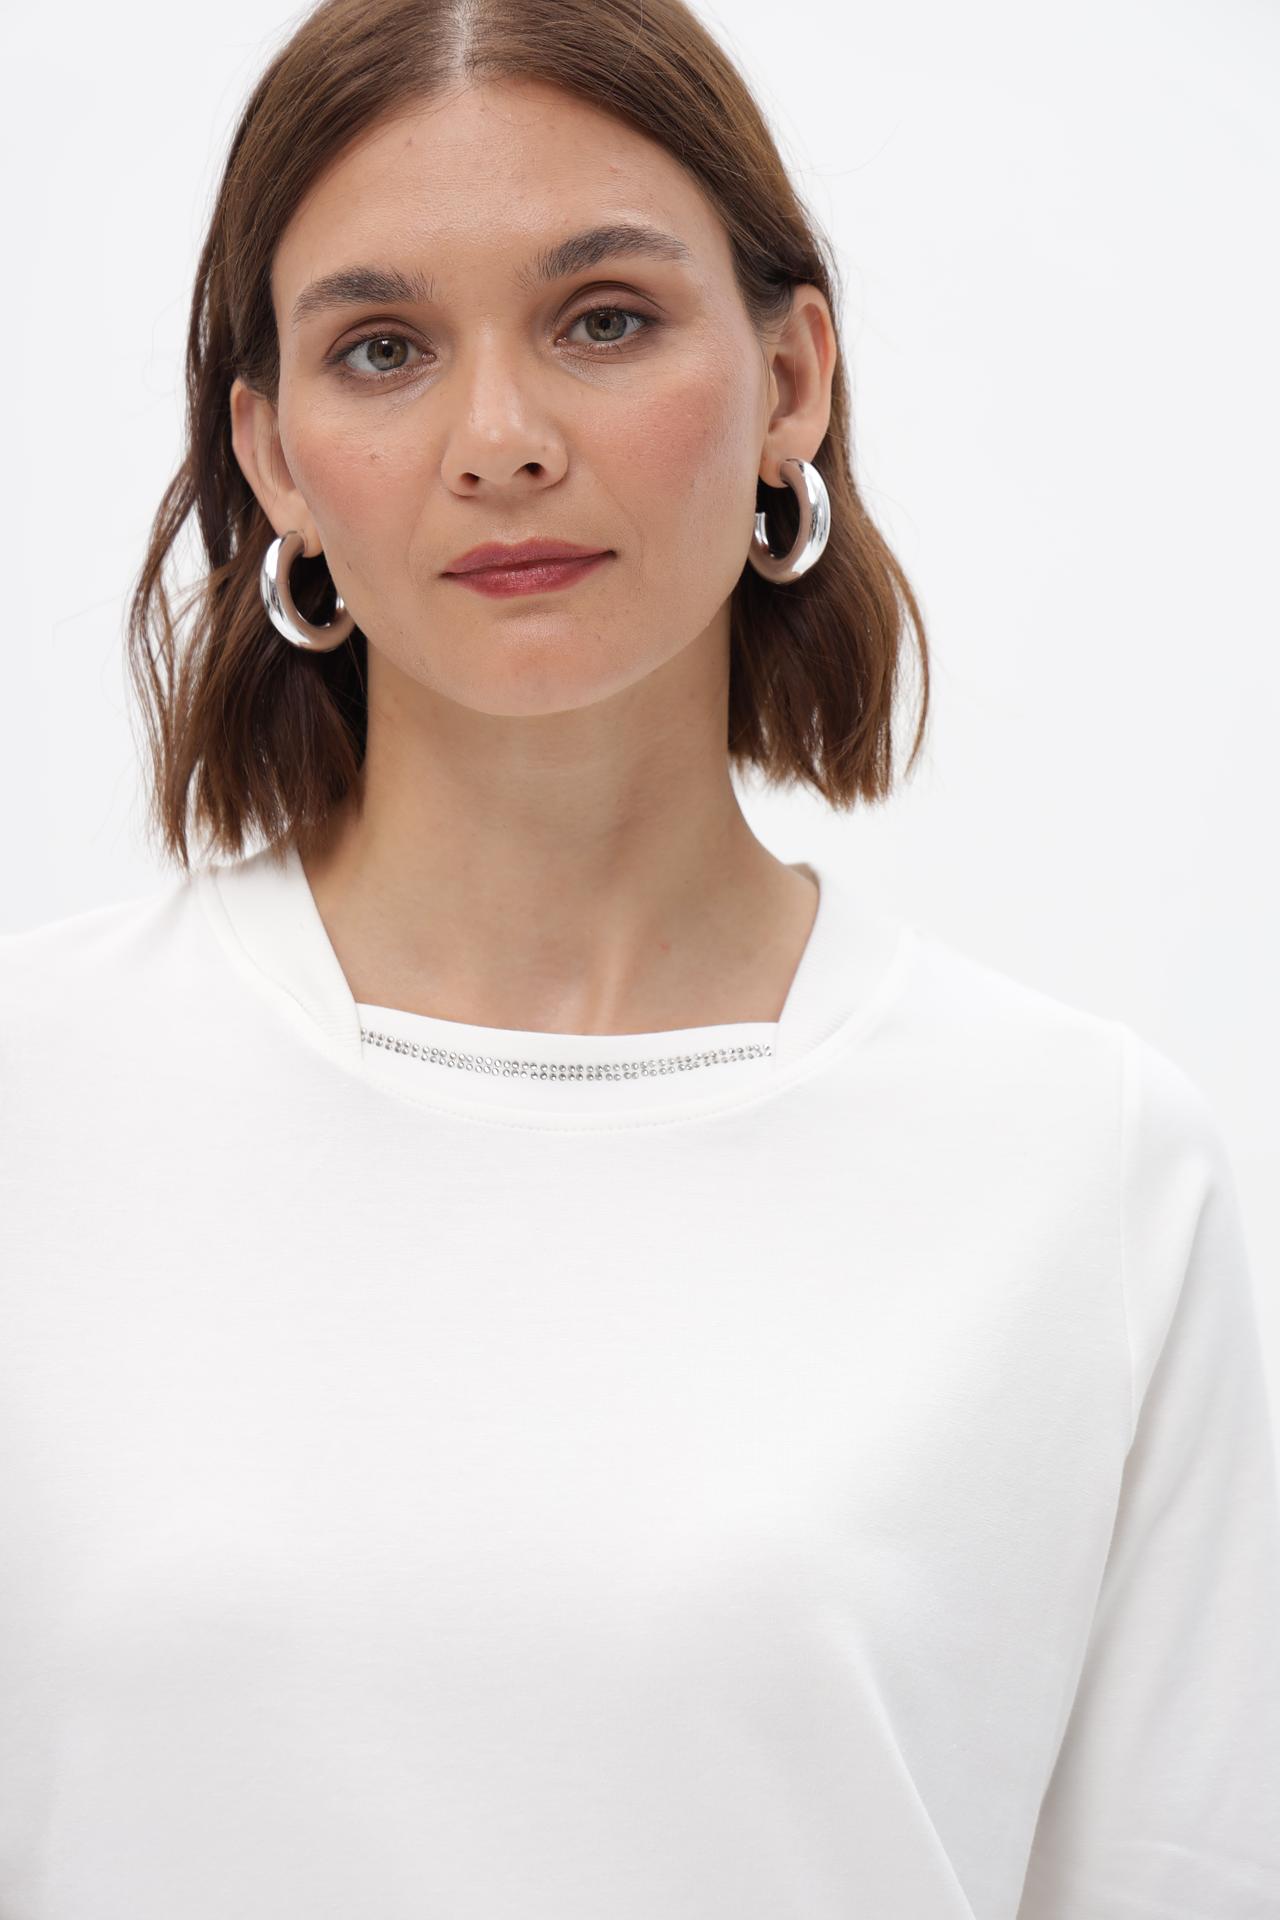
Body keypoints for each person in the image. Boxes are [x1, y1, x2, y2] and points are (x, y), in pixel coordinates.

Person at [2, 0, 1277, 1914]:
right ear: (273, 455)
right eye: (382, 349)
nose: (501, 443)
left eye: (602, 320)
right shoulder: (34, 1104)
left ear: (791, 379)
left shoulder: (1085, 1169)